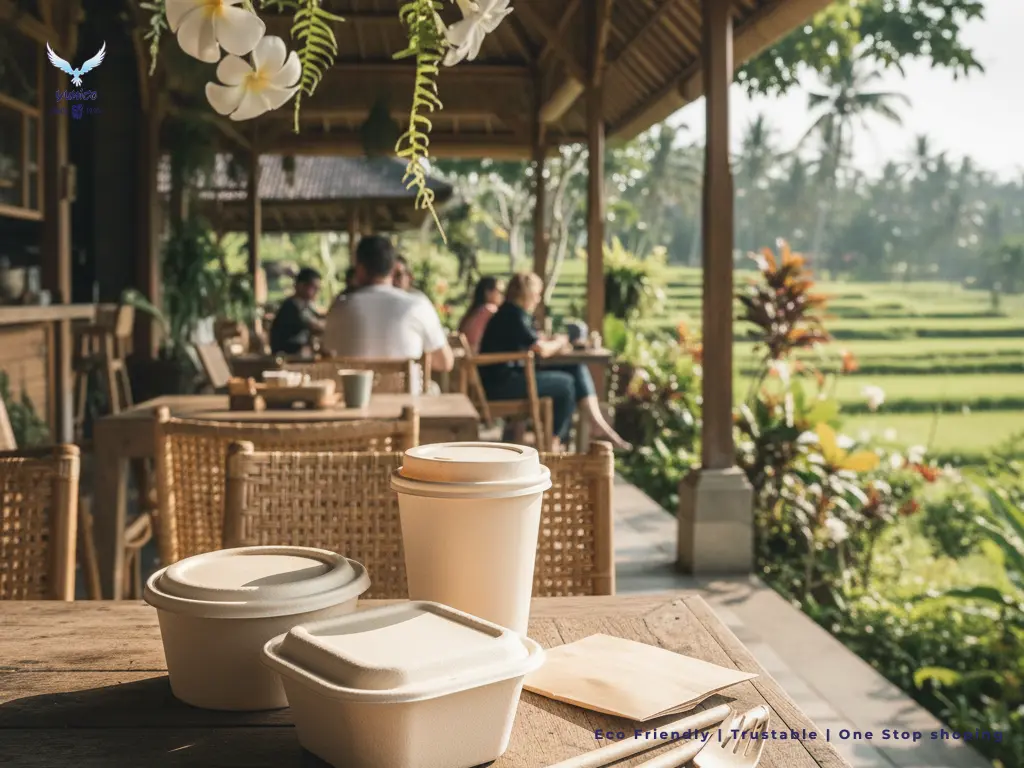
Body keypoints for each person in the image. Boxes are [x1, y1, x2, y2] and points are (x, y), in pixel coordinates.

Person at [478, 272, 630, 452]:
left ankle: (595, 423)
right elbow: (540, 349)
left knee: (574, 367)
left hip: (510, 378)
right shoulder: (512, 315)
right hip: (502, 385)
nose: (538, 299)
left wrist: (554, 342)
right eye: (536, 294)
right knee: (566, 385)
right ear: (526, 293)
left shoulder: (515, 314)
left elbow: (533, 341)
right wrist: (561, 341)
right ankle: (553, 442)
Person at [323, 236, 454, 385]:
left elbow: (328, 354)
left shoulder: (339, 308)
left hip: (354, 402)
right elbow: (445, 363)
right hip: (406, 403)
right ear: (393, 268)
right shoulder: (417, 305)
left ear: (359, 269)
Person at [269, 267, 324, 355]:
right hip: (287, 354)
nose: (317, 292)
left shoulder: (305, 306)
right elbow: (314, 327)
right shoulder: (291, 306)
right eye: (314, 287)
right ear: (301, 286)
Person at [458, 276, 504, 353]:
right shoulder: (489, 310)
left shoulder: (473, 311)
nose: (502, 296)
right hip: (478, 358)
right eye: (499, 292)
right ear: (488, 293)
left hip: (466, 358)